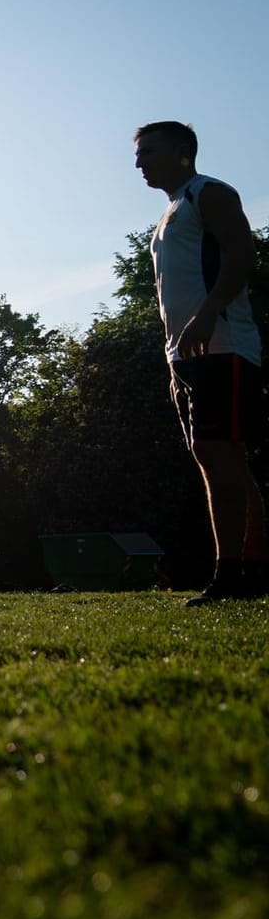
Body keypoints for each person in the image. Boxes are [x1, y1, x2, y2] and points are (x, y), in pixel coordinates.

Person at [134, 121, 266, 604]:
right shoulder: (171, 212)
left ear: (182, 152)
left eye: (148, 152)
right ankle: (250, 569)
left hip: (224, 345)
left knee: (219, 456)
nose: (139, 162)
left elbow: (241, 254)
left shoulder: (209, 194)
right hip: (185, 357)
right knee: (221, 458)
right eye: (138, 153)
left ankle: (231, 574)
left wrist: (209, 315)